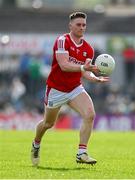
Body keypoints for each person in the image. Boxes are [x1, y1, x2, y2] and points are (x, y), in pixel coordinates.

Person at [31, 12, 109, 166]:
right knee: (48, 124)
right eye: (78, 24)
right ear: (70, 26)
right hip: (56, 89)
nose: (82, 27)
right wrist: (82, 67)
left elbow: (84, 71)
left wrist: (94, 78)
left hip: (74, 88)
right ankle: (36, 144)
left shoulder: (88, 49)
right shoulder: (62, 41)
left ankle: (82, 153)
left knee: (90, 114)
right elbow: (64, 65)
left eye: (84, 25)